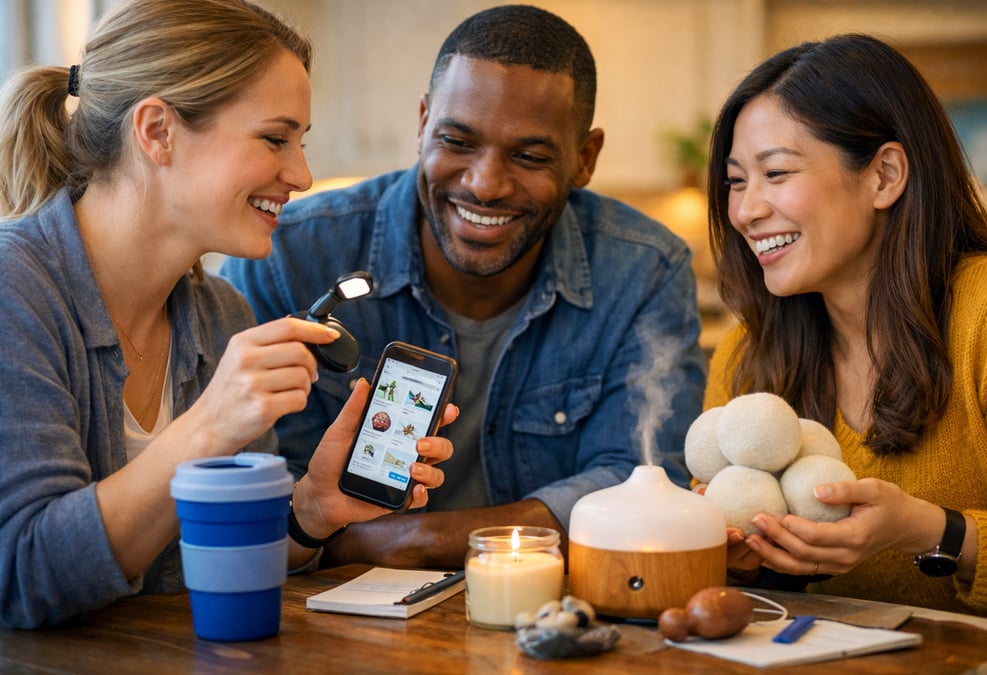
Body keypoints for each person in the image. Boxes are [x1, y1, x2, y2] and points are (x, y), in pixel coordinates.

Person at [0, 0, 455, 630]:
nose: (302, 174)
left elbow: (221, 562)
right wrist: (209, 425)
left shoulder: (221, 316)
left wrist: (311, 509)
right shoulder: (16, 289)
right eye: (274, 138)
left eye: (301, 142)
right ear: (157, 131)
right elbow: (21, 576)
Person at [222, 4, 707, 570]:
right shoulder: (288, 257)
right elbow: (252, 487)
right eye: (456, 141)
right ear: (423, 122)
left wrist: (414, 541)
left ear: (585, 158)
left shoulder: (645, 270)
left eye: (529, 156)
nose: (485, 184)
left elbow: (641, 481)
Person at [703, 33, 987, 616]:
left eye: (776, 172)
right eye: (737, 181)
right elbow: (749, 597)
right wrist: (742, 556)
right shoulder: (748, 352)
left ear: (884, 176)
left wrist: (929, 530)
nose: (745, 210)